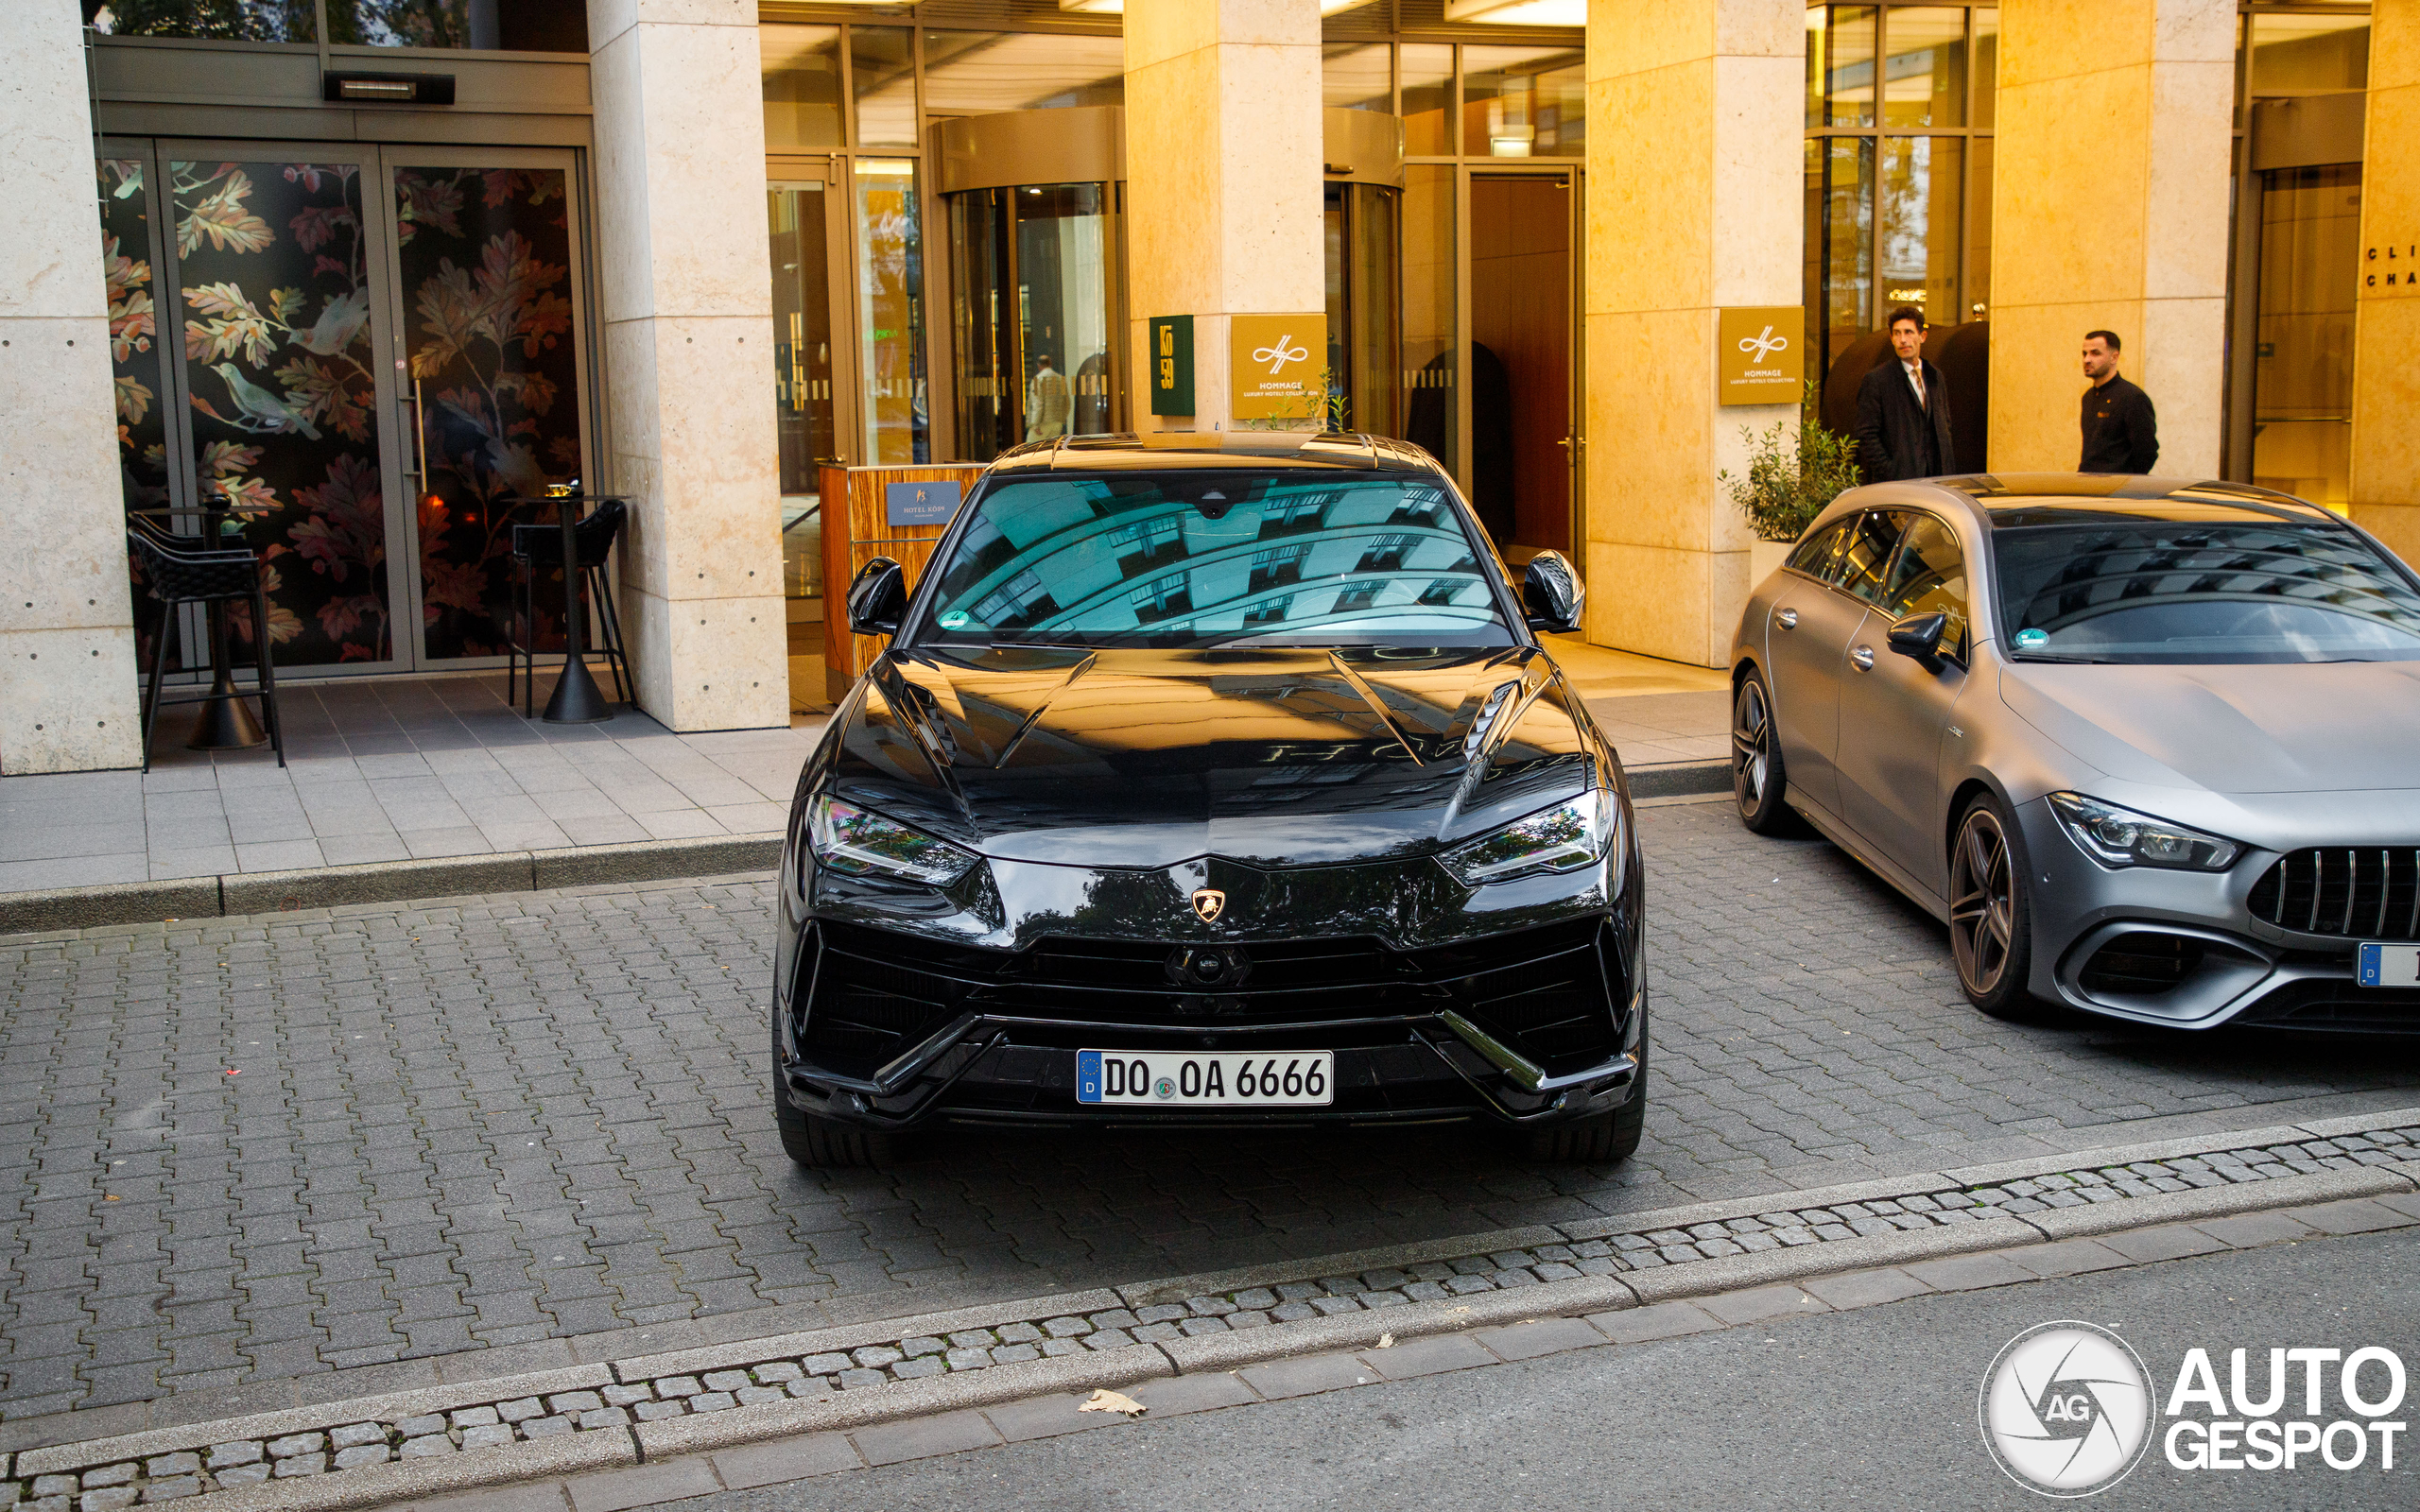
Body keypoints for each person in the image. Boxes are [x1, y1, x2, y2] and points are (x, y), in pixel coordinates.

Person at [1853, 306, 1956, 483]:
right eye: (1897, 333)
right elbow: (1866, 434)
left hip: (1936, 480)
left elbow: (1945, 424)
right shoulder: (1877, 380)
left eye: (1908, 332)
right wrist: (1890, 471)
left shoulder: (1935, 376)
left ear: (1922, 336)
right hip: (1898, 483)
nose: (1903, 340)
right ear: (1891, 338)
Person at [2078, 329, 2158, 472]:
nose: (2087, 360)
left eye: (2095, 353)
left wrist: (2126, 481)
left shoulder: (2132, 397)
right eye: (2085, 354)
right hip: (2087, 482)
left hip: (2118, 484)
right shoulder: (2088, 397)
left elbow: (2147, 452)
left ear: (2114, 357)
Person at [1025, 354, 1071, 443]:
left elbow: (1038, 403)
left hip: (1043, 423)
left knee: (1030, 446)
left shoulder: (1038, 379)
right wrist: (1062, 419)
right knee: (1051, 448)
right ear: (1050, 363)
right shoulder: (1061, 379)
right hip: (1057, 422)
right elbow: (1067, 403)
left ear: (1038, 365)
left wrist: (1035, 424)